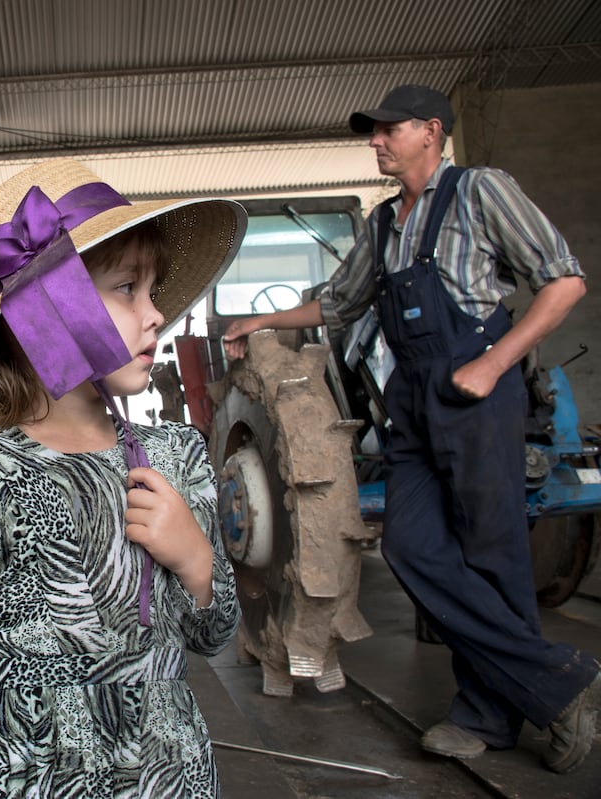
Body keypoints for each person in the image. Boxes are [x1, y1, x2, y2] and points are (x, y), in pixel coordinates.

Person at [223, 84, 600, 774]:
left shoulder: (482, 192)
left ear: (432, 131)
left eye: (387, 130)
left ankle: (490, 714)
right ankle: (562, 680)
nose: (375, 140)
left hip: (477, 393)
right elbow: (338, 303)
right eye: (372, 132)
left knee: (494, 558)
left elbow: (564, 280)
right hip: (416, 401)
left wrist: (494, 364)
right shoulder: (382, 223)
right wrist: (261, 320)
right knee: (410, 544)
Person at [0, 159, 246, 797]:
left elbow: (211, 635)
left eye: (154, 290)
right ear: (48, 311)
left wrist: (197, 562)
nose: (155, 315)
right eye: (126, 289)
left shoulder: (172, 458)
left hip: (165, 777)